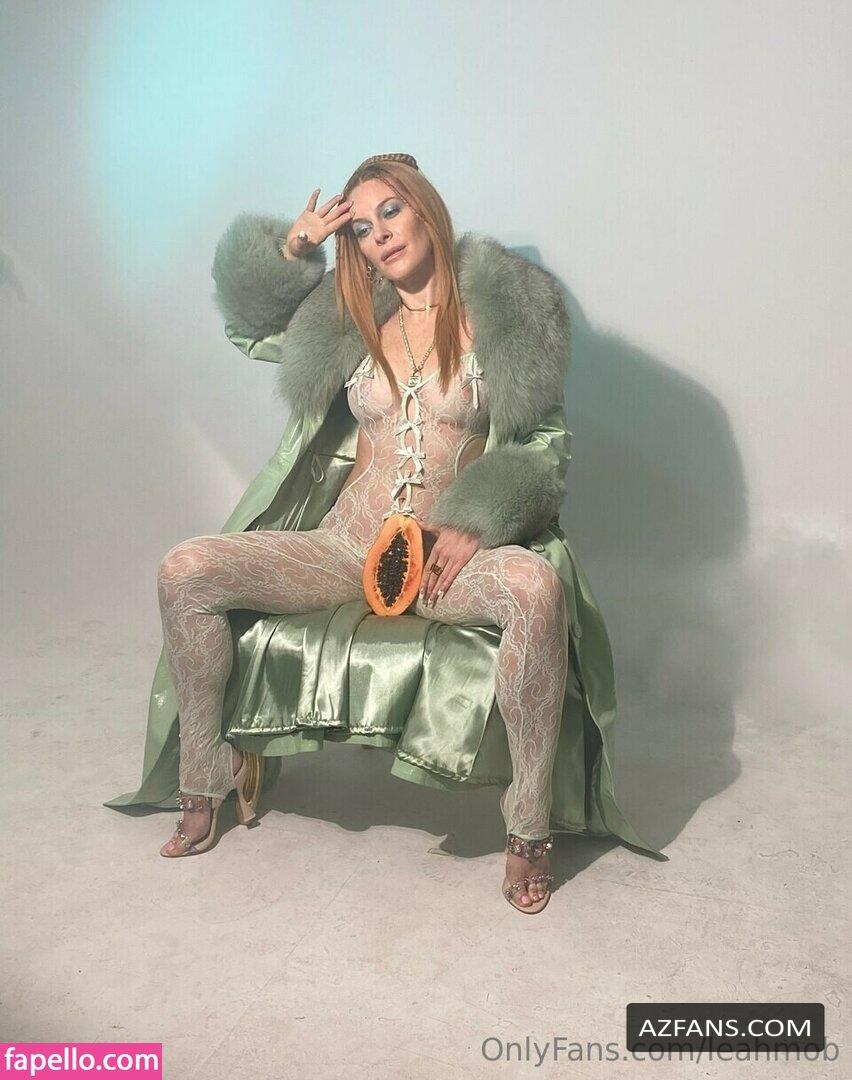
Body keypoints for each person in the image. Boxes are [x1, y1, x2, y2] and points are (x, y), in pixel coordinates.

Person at [117, 152, 665, 914]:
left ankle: (529, 826)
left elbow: (546, 446)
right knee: (186, 569)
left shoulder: (504, 315)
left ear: (425, 210)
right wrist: (293, 250)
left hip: (441, 561)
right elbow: (251, 332)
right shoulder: (353, 318)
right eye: (363, 227)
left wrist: (481, 519)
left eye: (392, 211)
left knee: (534, 587)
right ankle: (202, 777)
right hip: (345, 546)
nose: (379, 234)